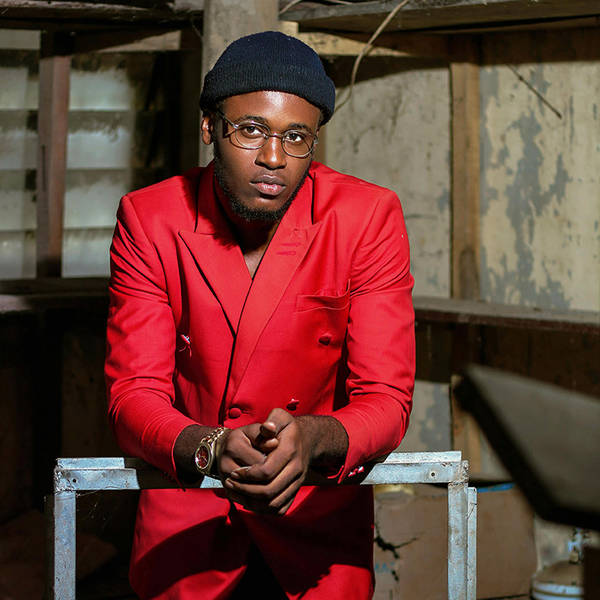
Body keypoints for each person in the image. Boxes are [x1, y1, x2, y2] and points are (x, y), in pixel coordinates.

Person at [105, 31, 415, 599]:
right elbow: (132, 396)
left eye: (296, 137)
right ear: (209, 127)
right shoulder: (149, 220)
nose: (274, 158)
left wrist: (315, 437)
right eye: (250, 130)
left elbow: (387, 400)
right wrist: (209, 447)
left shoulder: (365, 218)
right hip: (189, 518)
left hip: (316, 519)